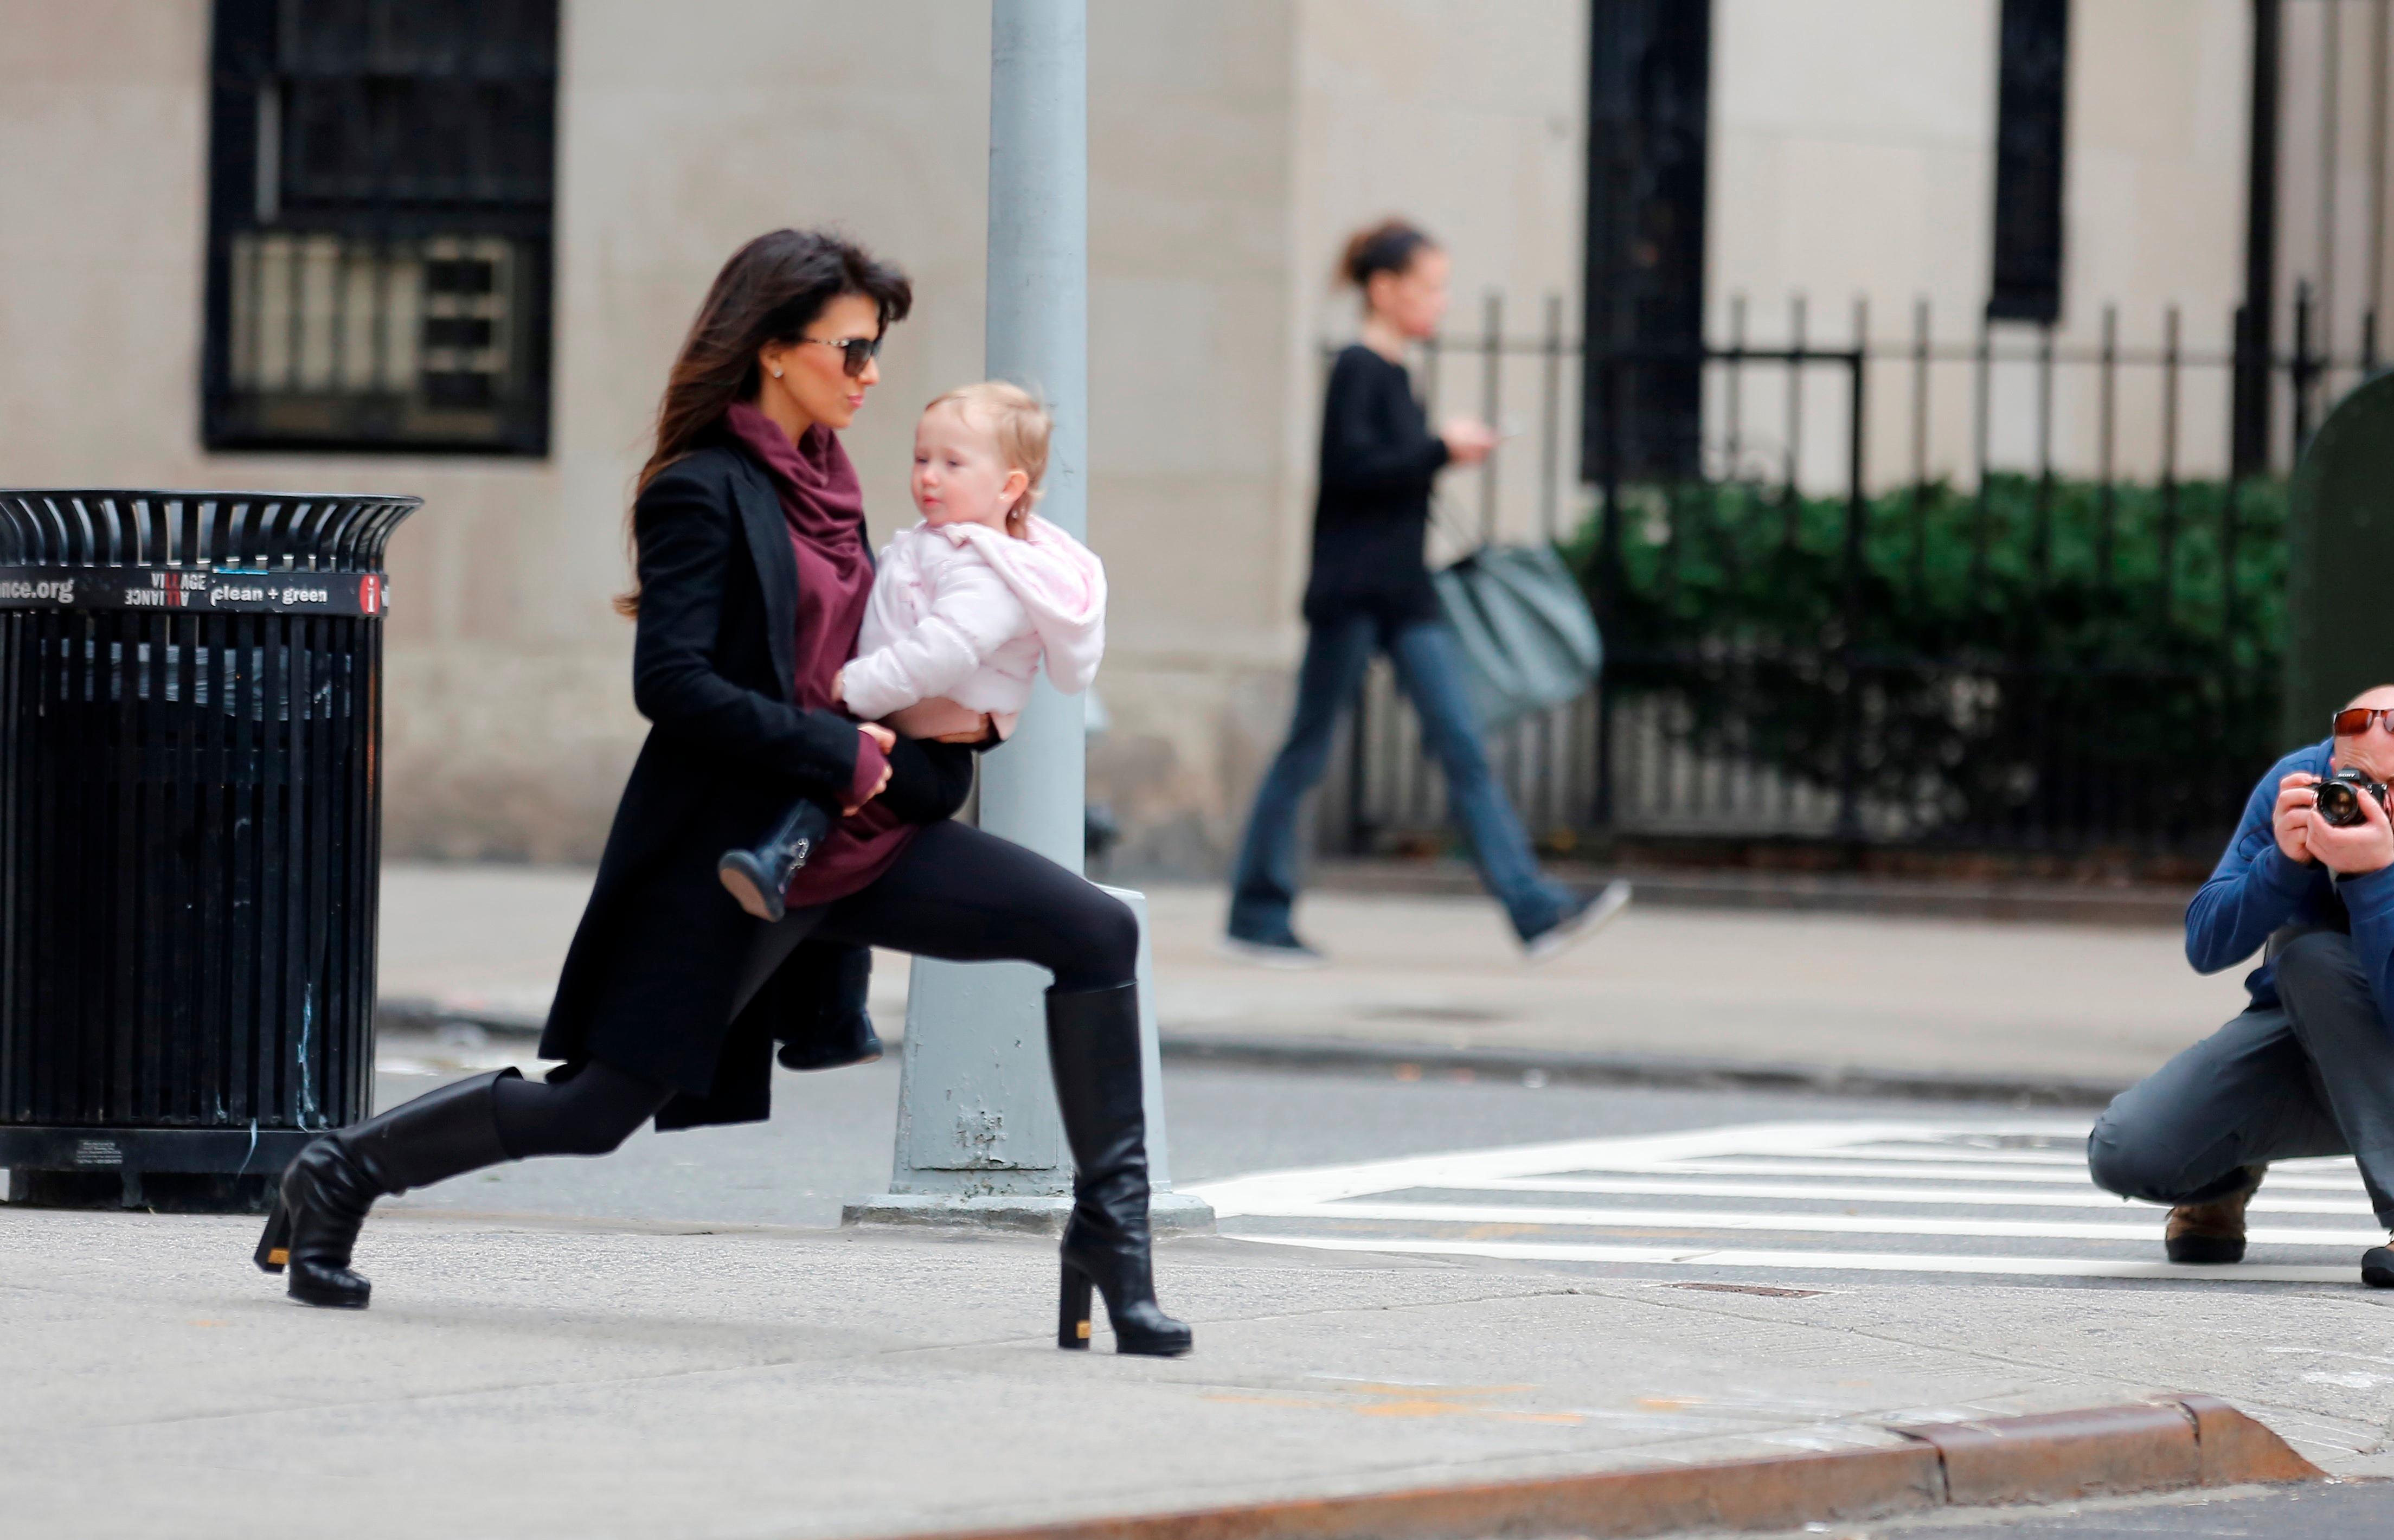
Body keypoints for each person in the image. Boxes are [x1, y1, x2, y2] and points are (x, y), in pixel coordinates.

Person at [250, 229, 1189, 1356]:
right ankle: (340, 1169)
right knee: (596, 1112)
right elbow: (674, 685)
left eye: (875, 351)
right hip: (740, 851)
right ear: (774, 351)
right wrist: (834, 753)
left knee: (1092, 931)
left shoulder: (845, 491)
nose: (871, 375)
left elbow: (912, 649)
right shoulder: (703, 491)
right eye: (852, 350)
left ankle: (1109, 1241)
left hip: (866, 840)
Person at [1223, 217, 1628, 968]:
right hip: (1353, 596)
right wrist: (1441, 448)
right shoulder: (1358, 368)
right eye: (1429, 287)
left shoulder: (1395, 375)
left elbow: (1387, 471)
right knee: (1309, 751)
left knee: (1462, 747)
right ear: (1384, 289)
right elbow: (1351, 471)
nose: (1440, 303)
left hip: (1405, 595)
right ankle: (1256, 909)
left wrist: (1438, 451)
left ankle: (1534, 909)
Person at [2087, 685, 2394, 1288]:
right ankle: (2226, 1174)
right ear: (2331, 766)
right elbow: (2207, 945)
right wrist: (2281, 862)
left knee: (2314, 960)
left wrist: (2374, 873)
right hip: (2299, 1027)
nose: (2373, 803)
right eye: (2356, 781)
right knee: (2125, 1151)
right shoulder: (2299, 787)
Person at [716, 381, 1102, 923]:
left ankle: (782, 863)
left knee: (838, 769)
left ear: (1009, 487)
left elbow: (945, 650)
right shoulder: (942, 542)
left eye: (953, 463)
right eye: (922, 458)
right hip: (913, 735)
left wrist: (858, 686)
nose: (929, 476)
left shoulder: (991, 573)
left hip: (935, 762)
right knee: (835, 766)